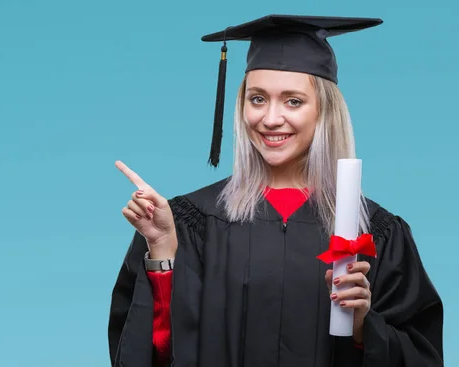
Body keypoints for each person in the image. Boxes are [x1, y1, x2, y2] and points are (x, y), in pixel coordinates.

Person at [107, 14, 444, 367]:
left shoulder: (374, 232)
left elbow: (420, 355)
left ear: (324, 112)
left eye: (293, 101)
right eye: (257, 99)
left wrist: (363, 329)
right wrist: (163, 251)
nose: (270, 118)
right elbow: (152, 352)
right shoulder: (188, 224)